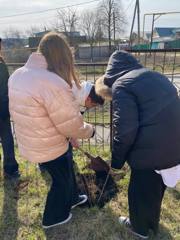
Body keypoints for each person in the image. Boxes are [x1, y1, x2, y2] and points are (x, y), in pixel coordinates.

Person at [8, 32, 94, 229]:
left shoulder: (18, 74)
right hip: (49, 144)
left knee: (66, 172)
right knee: (60, 181)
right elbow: (71, 124)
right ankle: (52, 218)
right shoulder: (51, 82)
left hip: (31, 139)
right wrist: (89, 131)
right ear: (62, 55)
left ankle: (72, 198)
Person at [95, 50, 180, 239]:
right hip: (174, 147)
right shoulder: (156, 76)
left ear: (110, 77)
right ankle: (152, 223)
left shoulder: (122, 85)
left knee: (138, 191)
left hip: (150, 154)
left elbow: (125, 130)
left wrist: (116, 162)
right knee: (155, 190)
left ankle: (139, 228)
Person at [0, 37, 19, 179]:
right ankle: (10, 169)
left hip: (3, 106)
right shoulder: (1, 65)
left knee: (7, 138)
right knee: (7, 138)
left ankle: (10, 168)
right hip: (2, 108)